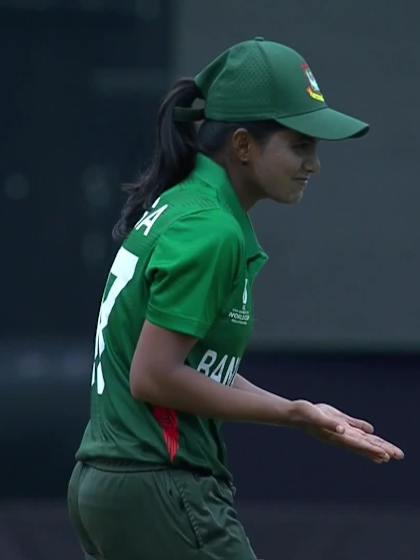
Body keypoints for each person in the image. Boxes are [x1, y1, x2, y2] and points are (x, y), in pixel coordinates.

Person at [68, 37, 404, 560]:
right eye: (299, 145)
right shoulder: (211, 229)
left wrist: (303, 409)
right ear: (243, 146)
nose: (313, 164)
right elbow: (154, 375)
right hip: (159, 484)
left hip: (114, 483)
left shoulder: (187, 205)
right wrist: (291, 415)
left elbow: (191, 363)